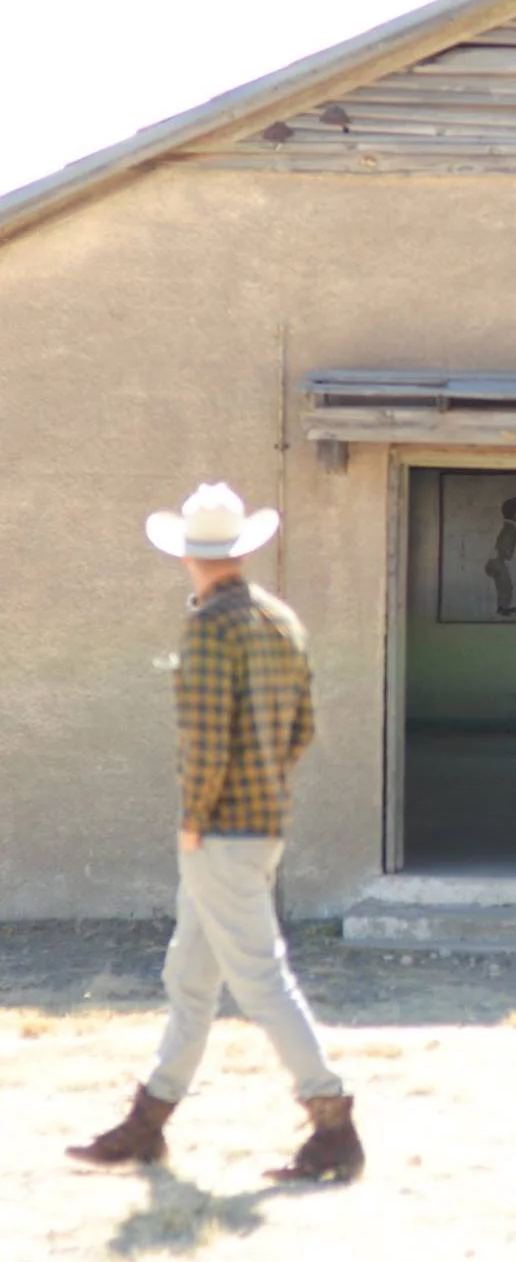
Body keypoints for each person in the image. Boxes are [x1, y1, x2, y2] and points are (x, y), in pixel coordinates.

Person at [67, 483, 364, 1183]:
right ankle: (149, 1121)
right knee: (190, 976)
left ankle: (334, 1123)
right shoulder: (279, 620)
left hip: (221, 830)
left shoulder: (210, 628)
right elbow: (303, 728)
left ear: (189, 558)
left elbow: (204, 742)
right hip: (262, 822)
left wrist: (195, 819)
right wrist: (263, 781)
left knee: (258, 979)